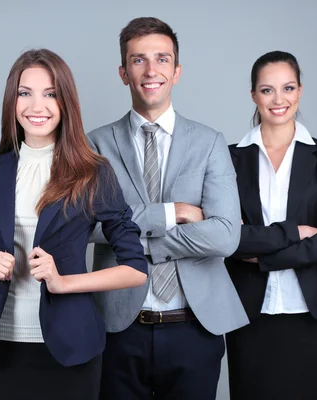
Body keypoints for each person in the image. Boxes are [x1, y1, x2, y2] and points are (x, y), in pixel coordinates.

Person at [0, 48, 147, 400]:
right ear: (13, 101)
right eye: (25, 93)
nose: (36, 106)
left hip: (70, 347)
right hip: (0, 346)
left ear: (65, 102)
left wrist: (63, 282)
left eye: (50, 94)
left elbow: (135, 269)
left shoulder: (93, 173)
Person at [87, 17, 248, 400]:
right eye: (139, 60)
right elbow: (85, 225)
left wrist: (139, 242)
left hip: (195, 327)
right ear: (124, 72)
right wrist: (173, 212)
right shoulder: (93, 145)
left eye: (162, 59)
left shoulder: (210, 142)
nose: (151, 70)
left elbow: (225, 235)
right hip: (118, 328)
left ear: (176, 72)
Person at [225, 50, 317, 399]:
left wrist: (263, 257)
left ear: (300, 91)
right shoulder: (229, 158)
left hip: (311, 311)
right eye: (267, 90)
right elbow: (229, 239)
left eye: (288, 88)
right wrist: (295, 233)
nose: (278, 99)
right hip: (249, 312)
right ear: (253, 95)